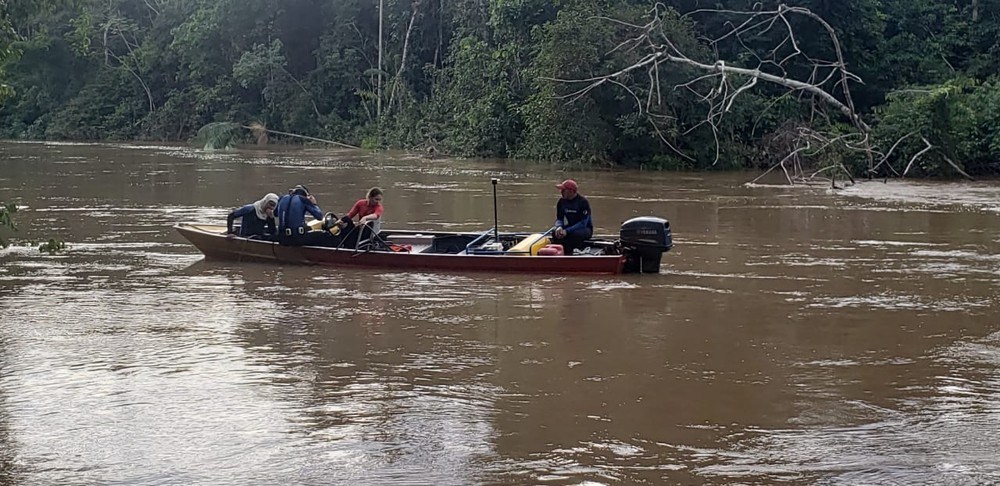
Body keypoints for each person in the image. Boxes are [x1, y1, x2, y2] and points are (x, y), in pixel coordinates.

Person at [552, 179, 593, 254]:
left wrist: (567, 231)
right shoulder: (561, 202)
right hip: (570, 227)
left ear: (571, 191)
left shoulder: (583, 202)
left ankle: (571, 254)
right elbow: (559, 218)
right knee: (555, 233)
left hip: (584, 229)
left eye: (563, 190)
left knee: (574, 235)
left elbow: (583, 223)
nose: (561, 192)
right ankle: (557, 253)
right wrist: (559, 227)